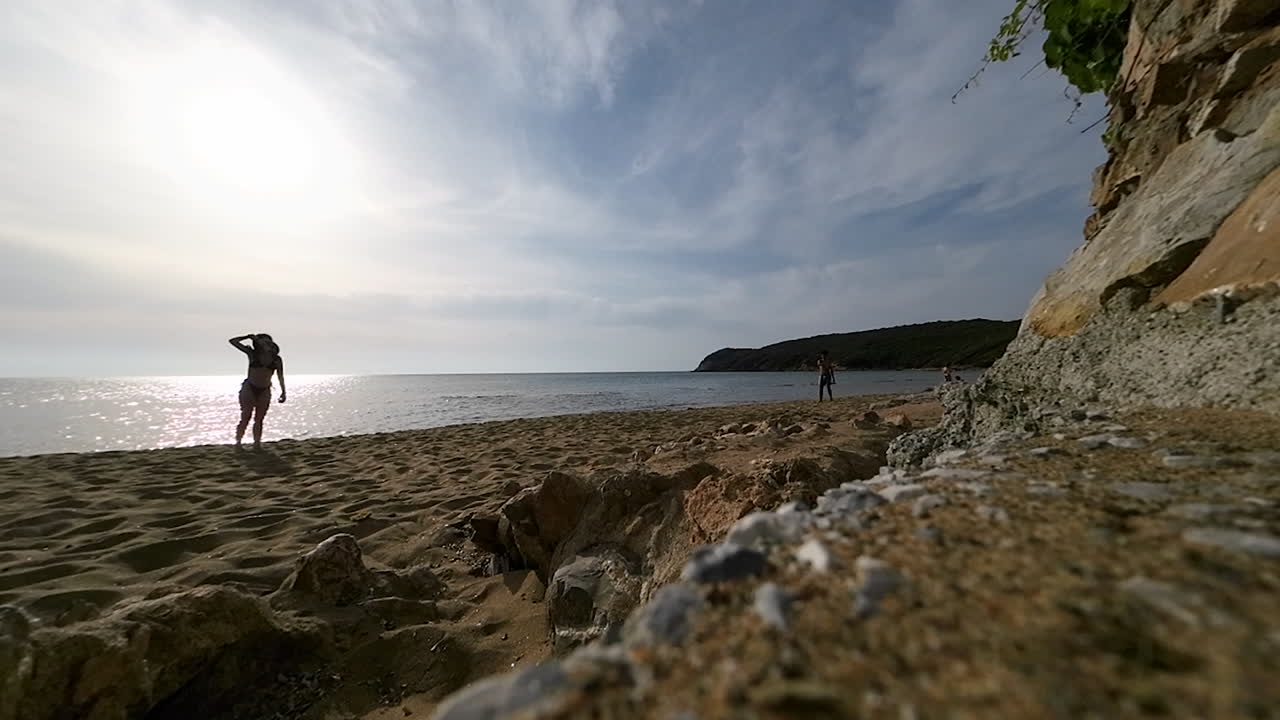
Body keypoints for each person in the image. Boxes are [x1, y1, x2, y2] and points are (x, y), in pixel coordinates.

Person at [229, 333, 286, 448]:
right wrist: (248, 337)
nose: (265, 345)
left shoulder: (276, 359)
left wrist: (283, 392)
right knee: (246, 416)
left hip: (264, 390)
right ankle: (238, 442)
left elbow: (280, 376)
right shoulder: (252, 354)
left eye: (267, 342)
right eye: (263, 342)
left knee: (259, 419)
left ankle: (257, 443)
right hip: (249, 388)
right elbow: (233, 341)